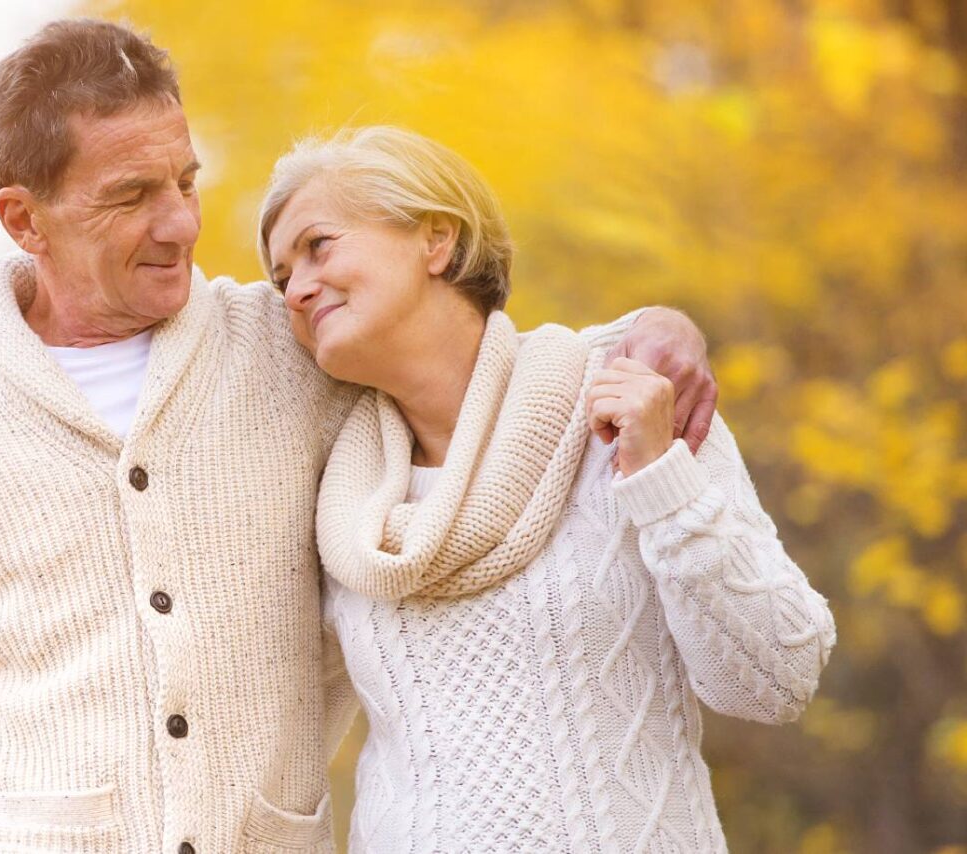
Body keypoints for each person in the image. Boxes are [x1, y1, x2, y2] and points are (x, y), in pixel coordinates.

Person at [0, 20, 714, 854]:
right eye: (130, 196)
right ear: (23, 218)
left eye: (185, 180)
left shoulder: (289, 349)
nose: (180, 224)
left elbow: (487, 369)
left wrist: (659, 326)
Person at [266, 125, 834, 851]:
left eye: (319, 245)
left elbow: (776, 681)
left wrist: (659, 479)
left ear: (436, 240)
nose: (299, 288)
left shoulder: (627, 406)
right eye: (283, 278)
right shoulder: (337, 501)